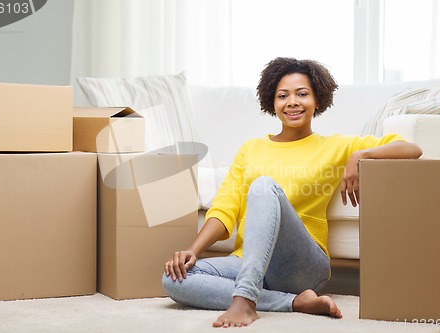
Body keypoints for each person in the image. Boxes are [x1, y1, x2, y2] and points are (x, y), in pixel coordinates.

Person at [162, 57, 422, 328]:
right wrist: (192, 250)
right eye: (282, 95)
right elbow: (224, 209)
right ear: (272, 103)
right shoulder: (250, 149)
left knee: (263, 186)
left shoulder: (335, 146)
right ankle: (293, 302)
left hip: (303, 266)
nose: (292, 102)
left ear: (317, 100)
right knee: (174, 279)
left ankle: (245, 301)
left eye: (302, 94)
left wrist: (360, 155)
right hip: (249, 263)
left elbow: (411, 148)